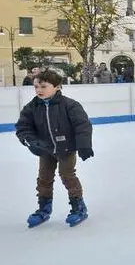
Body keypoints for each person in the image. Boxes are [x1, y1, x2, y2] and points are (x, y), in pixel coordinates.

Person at [15, 69, 94, 228]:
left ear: (57, 86)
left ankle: (78, 206)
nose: (38, 90)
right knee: (44, 178)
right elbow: (23, 126)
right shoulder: (32, 106)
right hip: (45, 150)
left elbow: (82, 126)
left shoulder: (69, 105)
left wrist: (84, 145)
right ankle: (44, 207)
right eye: (36, 86)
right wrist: (31, 141)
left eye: (43, 86)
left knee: (67, 175)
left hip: (66, 148)